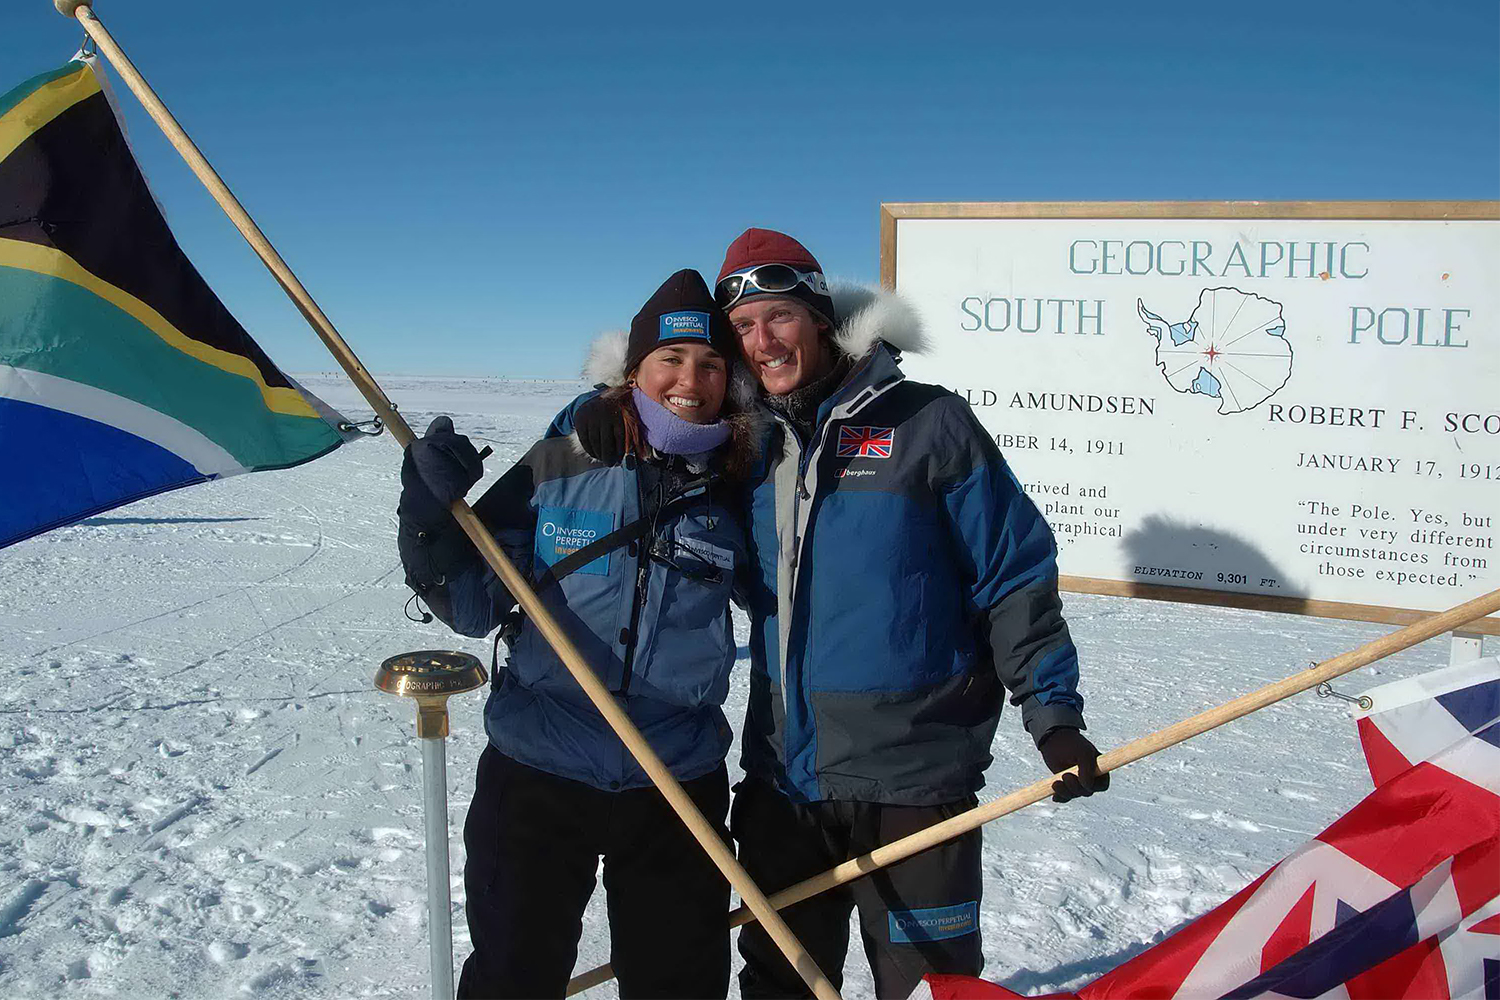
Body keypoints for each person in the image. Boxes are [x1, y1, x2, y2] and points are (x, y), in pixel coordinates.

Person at [573, 229, 1109, 999]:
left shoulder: (929, 423)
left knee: (933, 985)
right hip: (784, 777)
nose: (763, 341)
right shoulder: (740, 445)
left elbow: (1013, 572)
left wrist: (1052, 714)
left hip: (915, 778)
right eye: (745, 328)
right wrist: (612, 403)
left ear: (820, 319)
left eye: (779, 317)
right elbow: (666, 423)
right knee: (783, 982)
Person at [397, 269, 755, 999]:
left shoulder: (742, 480)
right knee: (514, 975)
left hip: (675, 777)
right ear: (633, 373)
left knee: (678, 983)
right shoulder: (558, 464)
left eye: (712, 364)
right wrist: (426, 512)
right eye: (672, 360)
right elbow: (471, 603)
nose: (692, 379)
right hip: (539, 771)